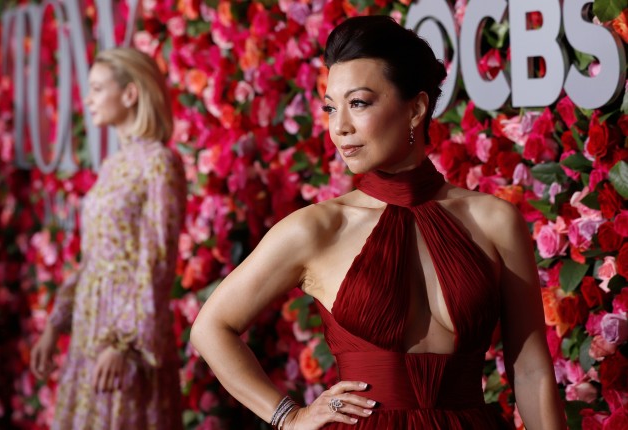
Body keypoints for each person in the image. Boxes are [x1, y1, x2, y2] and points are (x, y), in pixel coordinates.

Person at [190, 16, 566, 429]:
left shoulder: (495, 220)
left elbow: (531, 369)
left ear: (416, 109)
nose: (339, 127)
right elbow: (211, 328)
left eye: (358, 103)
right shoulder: (317, 229)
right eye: (331, 107)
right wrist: (289, 417)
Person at [30, 47, 185, 429]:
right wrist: (55, 325)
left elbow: (158, 261)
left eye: (98, 89)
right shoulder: (113, 164)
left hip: (126, 343)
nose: (89, 100)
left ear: (130, 94)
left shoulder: (159, 163)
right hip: (88, 331)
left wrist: (124, 344)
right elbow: (94, 260)